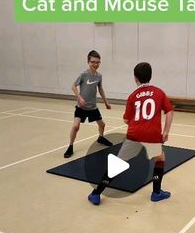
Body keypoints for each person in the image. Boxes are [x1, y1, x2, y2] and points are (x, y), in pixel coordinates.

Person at [88, 62, 173, 205]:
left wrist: (136, 124)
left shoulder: (133, 96)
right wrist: (166, 131)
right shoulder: (159, 92)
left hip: (134, 134)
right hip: (152, 135)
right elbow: (169, 111)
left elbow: (126, 119)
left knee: (118, 164)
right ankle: (156, 193)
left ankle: (96, 193)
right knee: (160, 159)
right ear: (151, 76)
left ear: (135, 78)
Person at [64, 50, 112, 158]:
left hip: (93, 107)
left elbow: (100, 89)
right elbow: (73, 86)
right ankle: (70, 146)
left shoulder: (99, 76)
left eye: (98, 62)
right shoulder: (84, 74)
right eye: (93, 62)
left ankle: (101, 137)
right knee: (76, 126)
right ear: (88, 62)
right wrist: (79, 97)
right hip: (81, 107)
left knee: (102, 125)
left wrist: (106, 102)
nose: (95, 64)